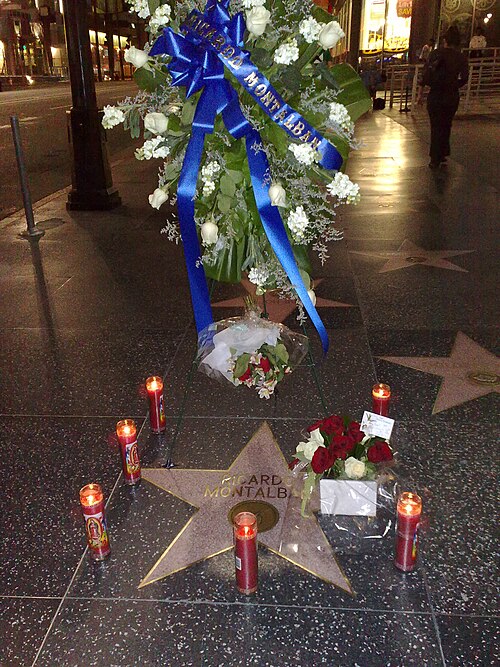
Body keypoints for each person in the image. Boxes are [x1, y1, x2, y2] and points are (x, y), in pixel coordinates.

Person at [422, 26, 468, 169]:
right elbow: (464, 77)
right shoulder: (460, 57)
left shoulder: (436, 54)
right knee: (446, 124)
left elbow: (427, 75)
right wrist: (455, 85)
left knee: (436, 126)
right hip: (451, 95)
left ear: (445, 40)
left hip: (436, 94)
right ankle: (442, 152)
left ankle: (434, 157)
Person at [416, 38, 435, 104]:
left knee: (422, 83)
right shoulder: (426, 47)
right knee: (423, 83)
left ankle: (420, 98)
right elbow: (424, 56)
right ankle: (419, 98)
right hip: (425, 64)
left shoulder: (430, 48)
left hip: (426, 65)